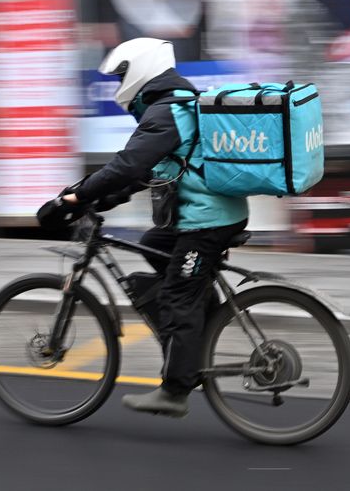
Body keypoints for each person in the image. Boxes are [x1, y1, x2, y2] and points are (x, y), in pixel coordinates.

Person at [59, 37, 249, 417]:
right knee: (152, 244)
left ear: (142, 69)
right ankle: (201, 330)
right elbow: (143, 173)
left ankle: (175, 391)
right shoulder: (172, 105)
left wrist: (78, 197)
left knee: (177, 295)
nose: (118, 86)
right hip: (204, 215)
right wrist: (99, 199)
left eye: (121, 76)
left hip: (208, 222)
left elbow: (127, 164)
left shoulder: (169, 111)